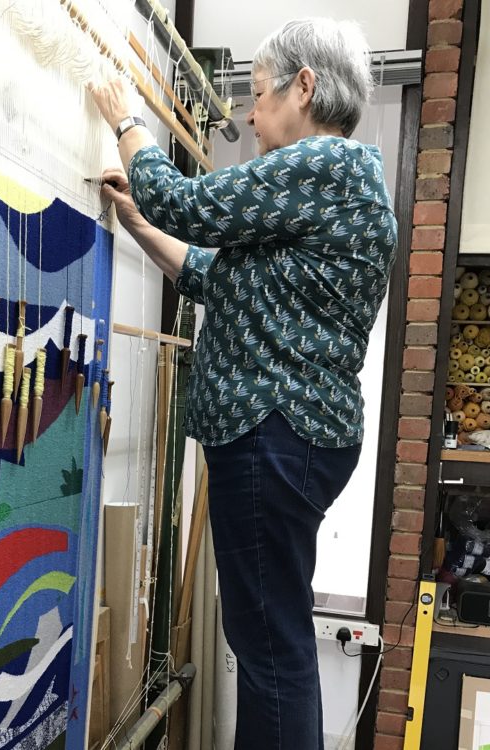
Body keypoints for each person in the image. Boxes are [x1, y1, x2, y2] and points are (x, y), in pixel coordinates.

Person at [91, 17, 397, 750]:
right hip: (292, 437)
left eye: (259, 97)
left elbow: (188, 205)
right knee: (273, 640)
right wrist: (135, 221)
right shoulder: (331, 195)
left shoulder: (325, 164)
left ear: (306, 87)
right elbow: (206, 273)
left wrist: (126, 120)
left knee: (269, 651)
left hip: (274, 432)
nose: (250, 116)